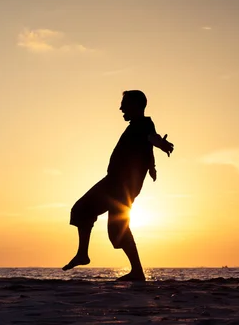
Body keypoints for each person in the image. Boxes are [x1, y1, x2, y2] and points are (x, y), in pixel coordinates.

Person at [62, 90, 174, 281]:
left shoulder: (144, 124)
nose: (121, 108)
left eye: (125, 104)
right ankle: (86, 255)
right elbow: (146, 145)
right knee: (91, 216)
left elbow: (151, 138)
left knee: (106, 224)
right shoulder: (138, 127)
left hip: (119, 186)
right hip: (116, 183)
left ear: (136, 106)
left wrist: (162, 144)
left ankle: (135, 271)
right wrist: (152, 166)